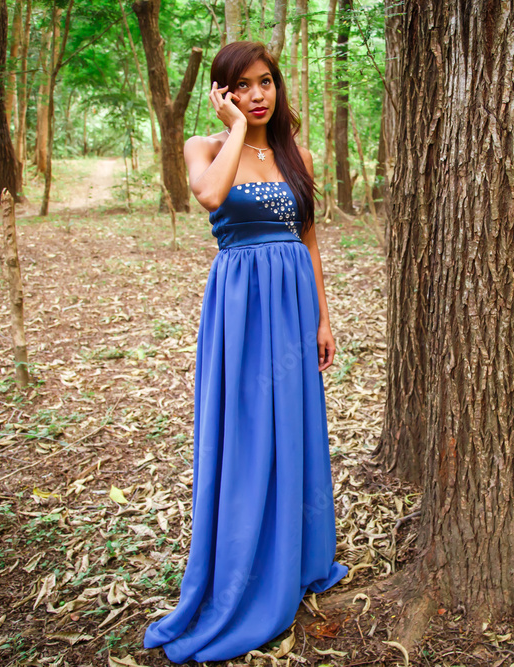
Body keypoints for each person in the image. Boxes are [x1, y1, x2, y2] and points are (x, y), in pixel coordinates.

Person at [142, 41, 349, 664]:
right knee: (246, 429)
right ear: (223, 93)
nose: (258, 95)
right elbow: (209, 197)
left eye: (265, 83)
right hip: (239, 309)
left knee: (293, 428)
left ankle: (298, 552)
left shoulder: (298, 155)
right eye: (242, 86)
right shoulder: (204, 148)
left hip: (291, 306)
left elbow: (307, 239)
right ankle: (239, 568)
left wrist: (323, 317)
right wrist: (235, 129)